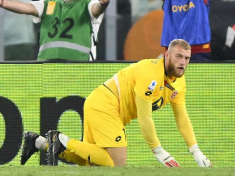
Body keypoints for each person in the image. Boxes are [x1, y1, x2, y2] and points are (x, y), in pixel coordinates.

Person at [20, 39, 211, 168]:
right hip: (105, 105)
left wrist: (195, 151)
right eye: (179, 57)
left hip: (102, 106)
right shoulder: (150, 73)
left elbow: (182, 118)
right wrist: (159, 151)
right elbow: (145, 117)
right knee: (116, 164)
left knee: (90, 162)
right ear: (166, 55)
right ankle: (61, 139)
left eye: (187, 58)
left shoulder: (179, 82)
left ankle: (38, 142)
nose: (183, 63)